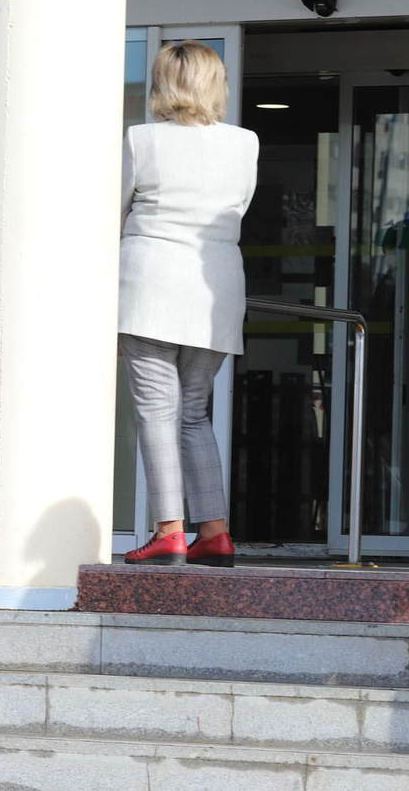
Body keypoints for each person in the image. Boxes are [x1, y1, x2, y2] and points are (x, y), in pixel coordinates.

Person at [119, 40, 259, 568]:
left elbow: (115, 208)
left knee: (157, 410)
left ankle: (169, 531)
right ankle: (215, 531)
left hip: (149, 282)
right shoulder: (244, 143)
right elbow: (238, 208)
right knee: (193, 412)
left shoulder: (140, 139)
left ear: (163, 84)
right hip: (216, 285)